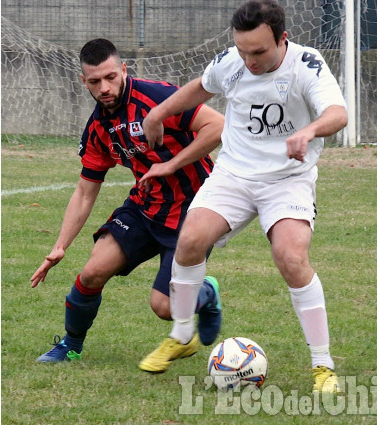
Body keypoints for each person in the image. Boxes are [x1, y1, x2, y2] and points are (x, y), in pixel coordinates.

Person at [139, 0, 348, 393]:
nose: (249, 60)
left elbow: (338, 113)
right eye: (243, 50)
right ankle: (183, 337)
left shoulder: (307, 63)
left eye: (258, 52)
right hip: (234, 173)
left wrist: (308, 131)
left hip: (287, 179)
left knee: (291, 256)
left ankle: (323, 365)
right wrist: (156, 114)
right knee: (190, 240)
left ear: (282, 39)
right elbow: (200, 89)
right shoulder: (232, 61)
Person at [31, 38, 225, 365]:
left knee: (163, 308)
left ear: (123, 69)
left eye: (110, 77)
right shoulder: (97, 128)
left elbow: (218, 126)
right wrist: (60, 245)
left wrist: (172, 164)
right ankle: (71, 345)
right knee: (92, 272)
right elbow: (85, 190)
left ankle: (206, 293)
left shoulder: (157, 97)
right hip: (144, 208)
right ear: (84, 81)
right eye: (95, 81)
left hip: (193, 212)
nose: (104, 87)